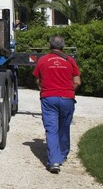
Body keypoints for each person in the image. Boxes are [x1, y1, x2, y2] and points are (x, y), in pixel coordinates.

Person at [32, 35, 81, 174]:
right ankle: (63, 155)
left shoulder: (43, 60)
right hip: (67, 98)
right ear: (63, 47)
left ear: (49, 46)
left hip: (49, 98)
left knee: (51, 129)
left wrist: (43, 89)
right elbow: (77, 81)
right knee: (64, 127)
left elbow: (37, 79)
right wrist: (69, 90)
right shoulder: (70, 60)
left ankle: (54, 161)